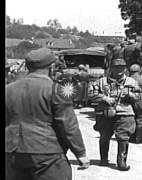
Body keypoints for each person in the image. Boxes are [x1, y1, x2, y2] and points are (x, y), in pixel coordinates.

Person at [5, 48, 89, 180]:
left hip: (12, 152)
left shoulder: (8, 89)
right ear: (51, 67)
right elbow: (68, 125)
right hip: (47, 153)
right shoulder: (57, 89)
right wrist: (80, 153)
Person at [93, 58, 141, 171]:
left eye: (122, 67)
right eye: (116, 67)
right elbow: (91, 93)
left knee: (123, 137)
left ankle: (122, 162)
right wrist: (104, 98)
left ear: (125, 69)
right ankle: (103, 159)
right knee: (104, 137)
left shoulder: (131, 82)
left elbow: (139, 97)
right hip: (105, 113)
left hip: (125, 113)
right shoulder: (101, 81)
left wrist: (130, 96)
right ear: (111, 68)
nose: (119, 70)